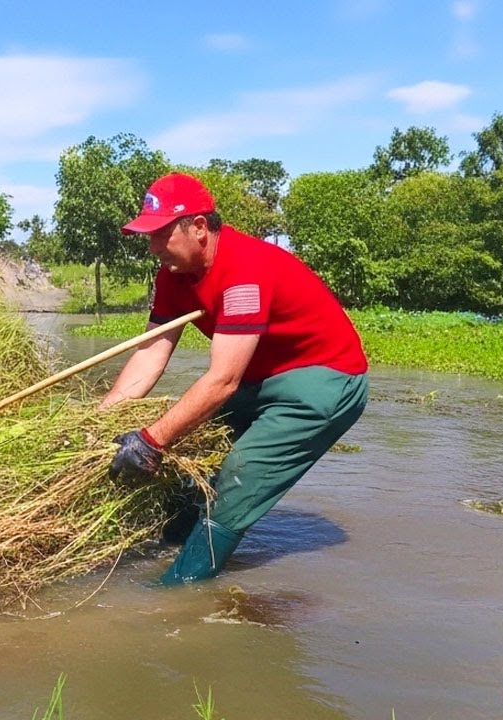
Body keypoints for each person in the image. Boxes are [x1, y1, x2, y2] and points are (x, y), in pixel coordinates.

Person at [102, 172, 368, 585]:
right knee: (191, 446)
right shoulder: (173, 273)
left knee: (238, 471)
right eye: (148, 236)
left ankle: (176, 588)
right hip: (260, 377)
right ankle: (172, 541)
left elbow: (223, 380)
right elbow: (152, 353)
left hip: (323, 380)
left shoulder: (244, 272)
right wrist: (103, 423)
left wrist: (150, 441)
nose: (152, 247)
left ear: (199, 228)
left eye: (160, 235)